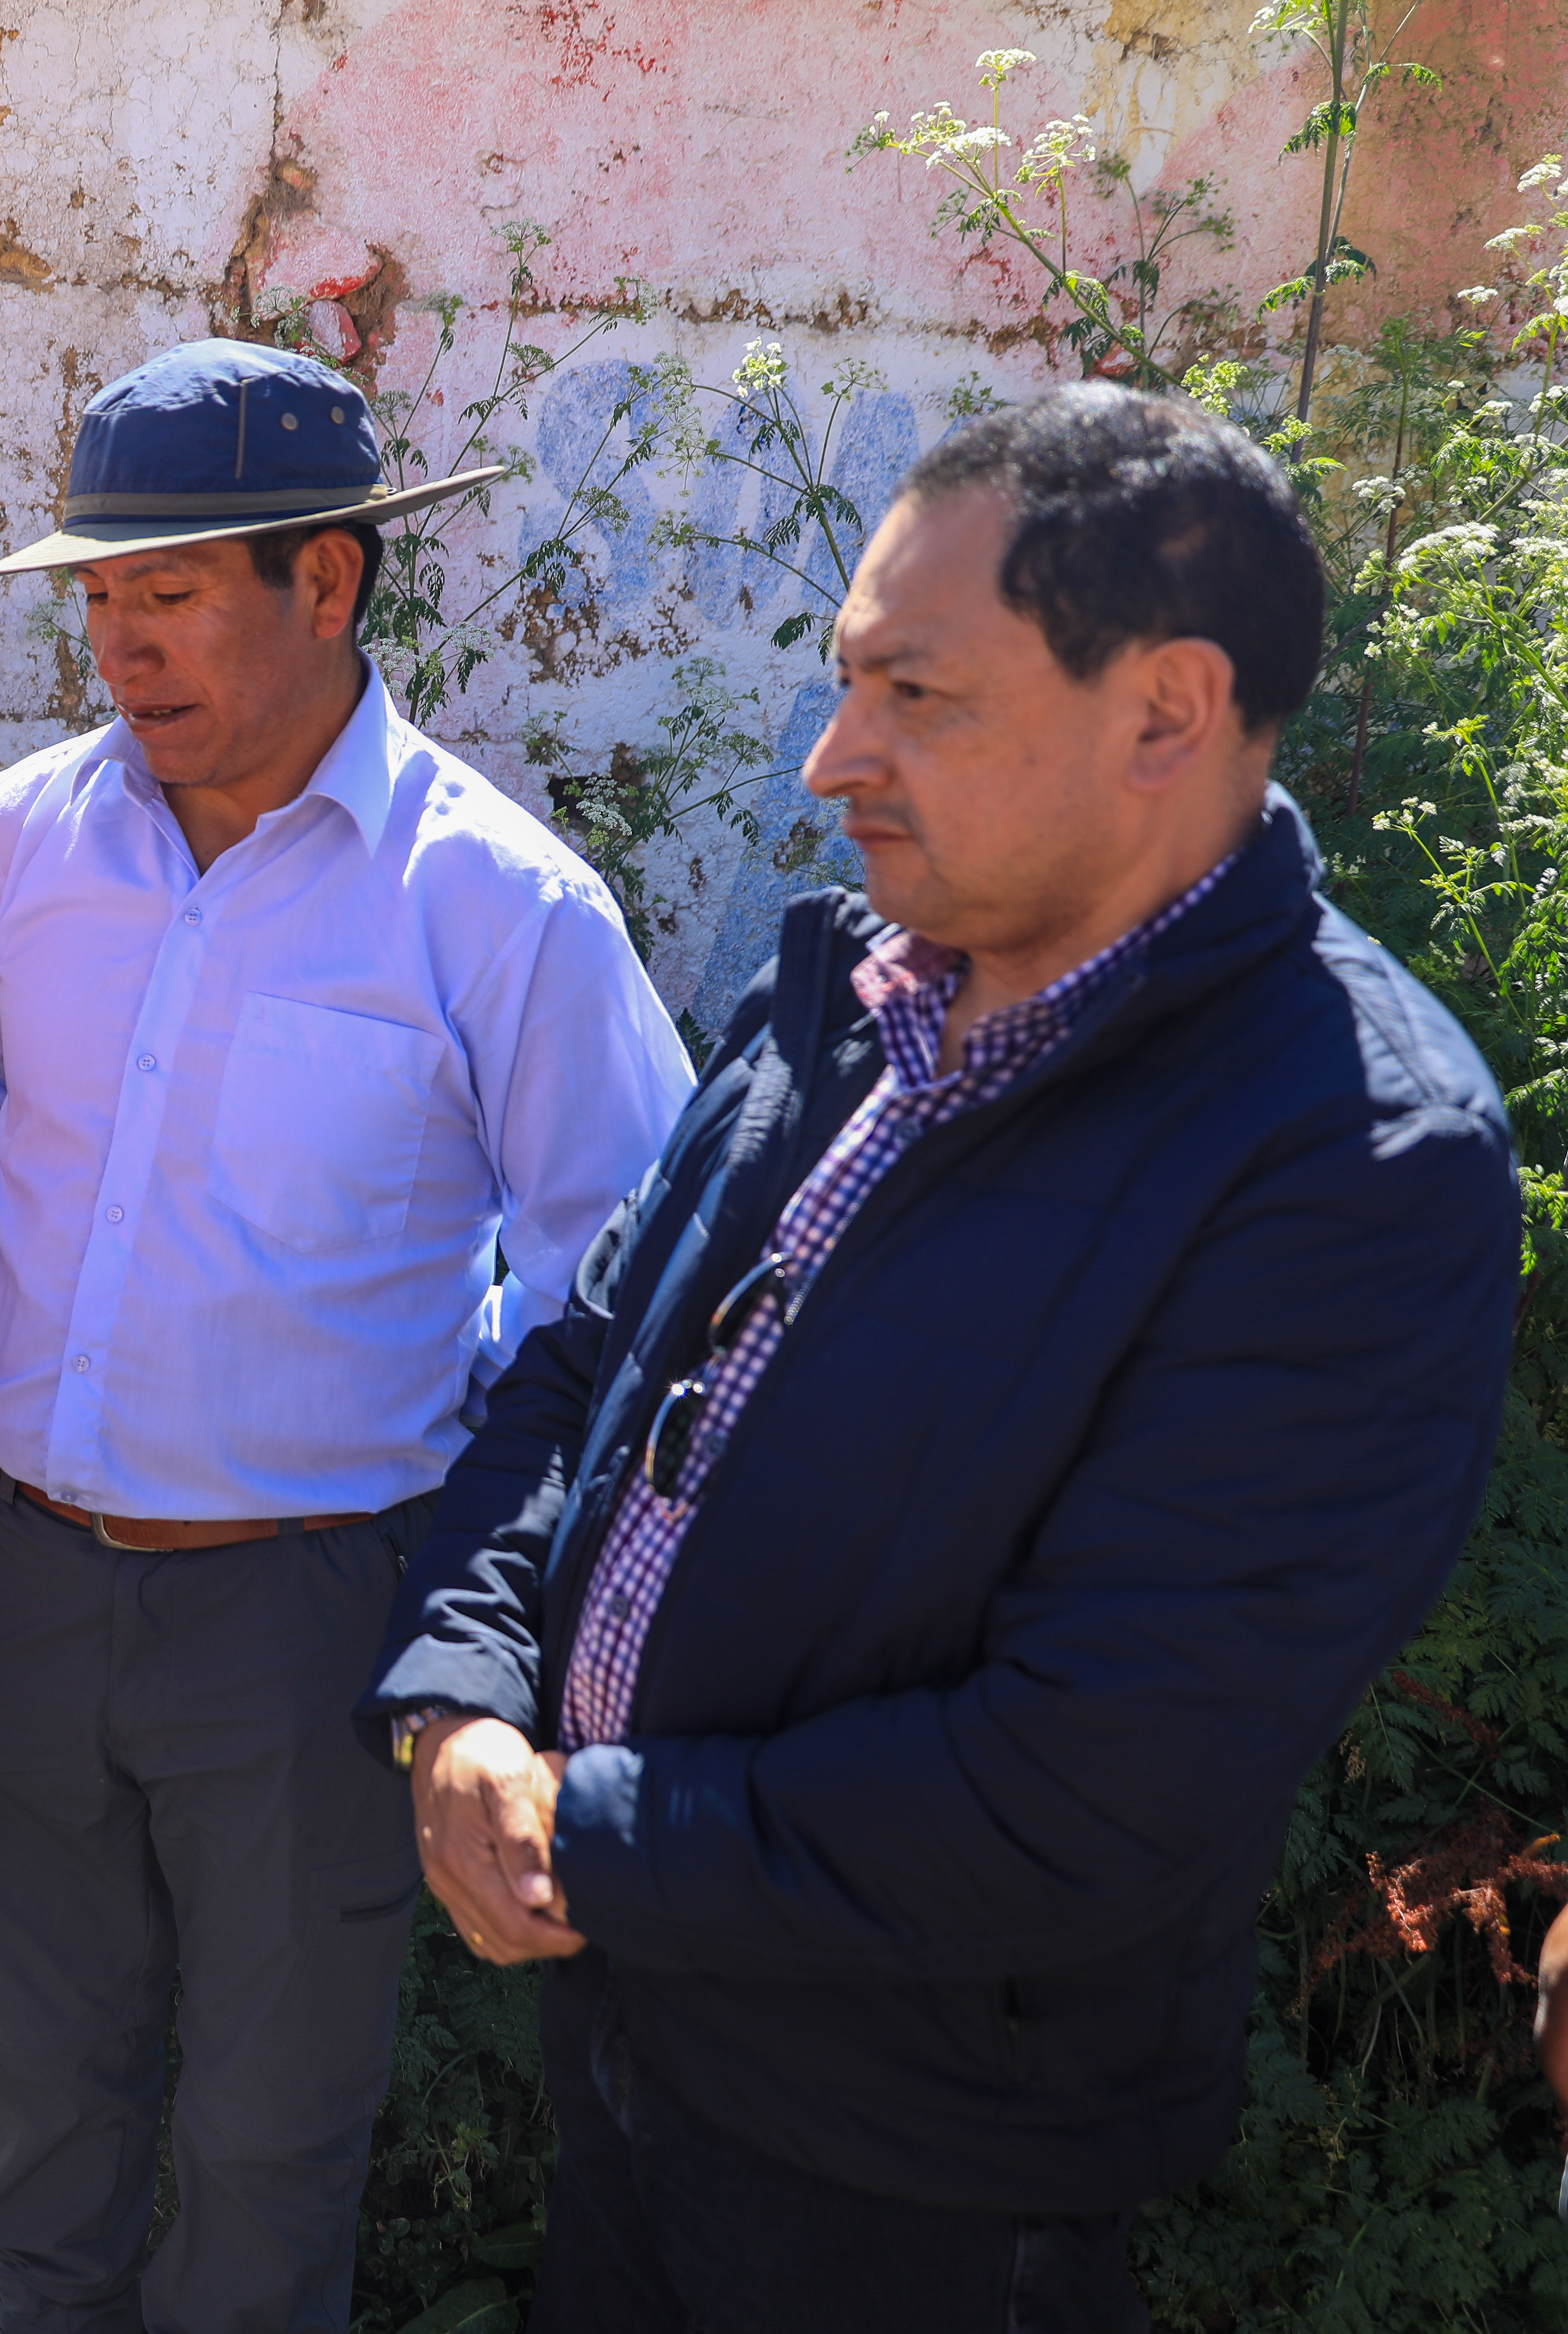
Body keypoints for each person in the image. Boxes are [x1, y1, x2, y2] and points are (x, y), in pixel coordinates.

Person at [377, 384, 1523, 2331]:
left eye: (918, 695)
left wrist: (593, 1830)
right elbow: (586, 1368)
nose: (834, 758)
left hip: (915, 2167)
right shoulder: (839, 988)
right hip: (634, 2045)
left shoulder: (1350, 1152)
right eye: (849, 683)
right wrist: (463, 1699)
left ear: (1166, 711)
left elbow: (1085, 1779)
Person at [0, 339, 694, 2334]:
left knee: (270, 2157)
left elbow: (616, 1304)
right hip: (18, 1585)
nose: (117, 647)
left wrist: (484, 1632)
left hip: (303, 1623)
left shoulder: (500, 912)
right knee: (44, 2112)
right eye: (94, 596)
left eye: (167, 594)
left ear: (330, 583)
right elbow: (19, 1122)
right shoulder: (27, 838)